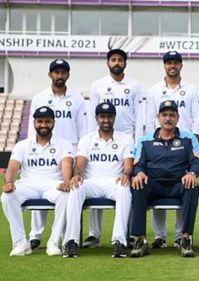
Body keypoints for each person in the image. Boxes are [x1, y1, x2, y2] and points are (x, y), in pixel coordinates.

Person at [27, 58, 87, 250]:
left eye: (63, 72)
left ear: (68, 75)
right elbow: (32, 129)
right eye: (56, 72)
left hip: (68, 152)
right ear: (50, 74)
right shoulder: (40, 97)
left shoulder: (77, 99)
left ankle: (66, 235)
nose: (59, 75)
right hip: (44, 150)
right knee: (39, 187)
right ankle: (35, 235)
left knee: (67, 193)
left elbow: (83, 130)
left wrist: (80, 156)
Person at [86, 48, 144, 248]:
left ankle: (125, 232)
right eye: (113, 60)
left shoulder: (135, 85)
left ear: (125, 63)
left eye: (120, 60)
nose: (117, 63)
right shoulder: (98, 86)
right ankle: (94, 234)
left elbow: (139, 116)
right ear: (108, 63)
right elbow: (92, 115)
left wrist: (137, 144)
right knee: (95, 179)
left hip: (126, 142)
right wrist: (90, 140)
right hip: (101, 142)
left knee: (124, 186)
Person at [130, 100, 199, 258]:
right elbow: (138, 164)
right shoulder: (145, 140)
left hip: (178, 183)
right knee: (138, 185)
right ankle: (140, 240)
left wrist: (192, 174)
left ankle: (185, 239)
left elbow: (196, 162)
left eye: (171, 115)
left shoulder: (188, 139)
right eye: (164, 115)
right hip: (154, 184)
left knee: (192, 186)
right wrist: (139, 173)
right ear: (158, 117)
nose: (168, 118)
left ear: (178, 117)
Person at [62, 102, 134, 258]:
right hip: (91, 182)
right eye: (102, 116)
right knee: (75, 188)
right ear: (96, 118)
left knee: (124, 188)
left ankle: (119, 242)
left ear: (114, 118)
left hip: (113, 182)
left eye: (109, 116)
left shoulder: (125, 138)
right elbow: (80, 164)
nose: (106, 120)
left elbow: (128, 165)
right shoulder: (87, 139)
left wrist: (126, 175)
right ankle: (71, 242)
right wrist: (77, 175)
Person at [145, 51, 199, 249]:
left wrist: (195, 144)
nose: (172, 66)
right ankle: (159, 235)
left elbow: (198, 119)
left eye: (176, 62)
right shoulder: (153, 90)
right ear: (164, 65)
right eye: (169, 62)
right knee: (157, 177)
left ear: (181, 65)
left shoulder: (192, 89)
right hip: (160, 142)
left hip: (186, 143)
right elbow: (149, 120)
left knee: (186, 183)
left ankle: (180, 235)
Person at [1, 106, 73, 256]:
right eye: (40, 121)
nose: (43, 125)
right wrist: (9, 182)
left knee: (66, 196)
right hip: (28, 184)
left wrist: (66, 181)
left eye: (47, 121)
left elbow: (66, 163)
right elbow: (13, 167)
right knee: (7, 197)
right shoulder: (22, 145)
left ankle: (53, 242)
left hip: (53, 184)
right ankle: (20, 242)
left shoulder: (64, 143)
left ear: (53, 122)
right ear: (34, 123)